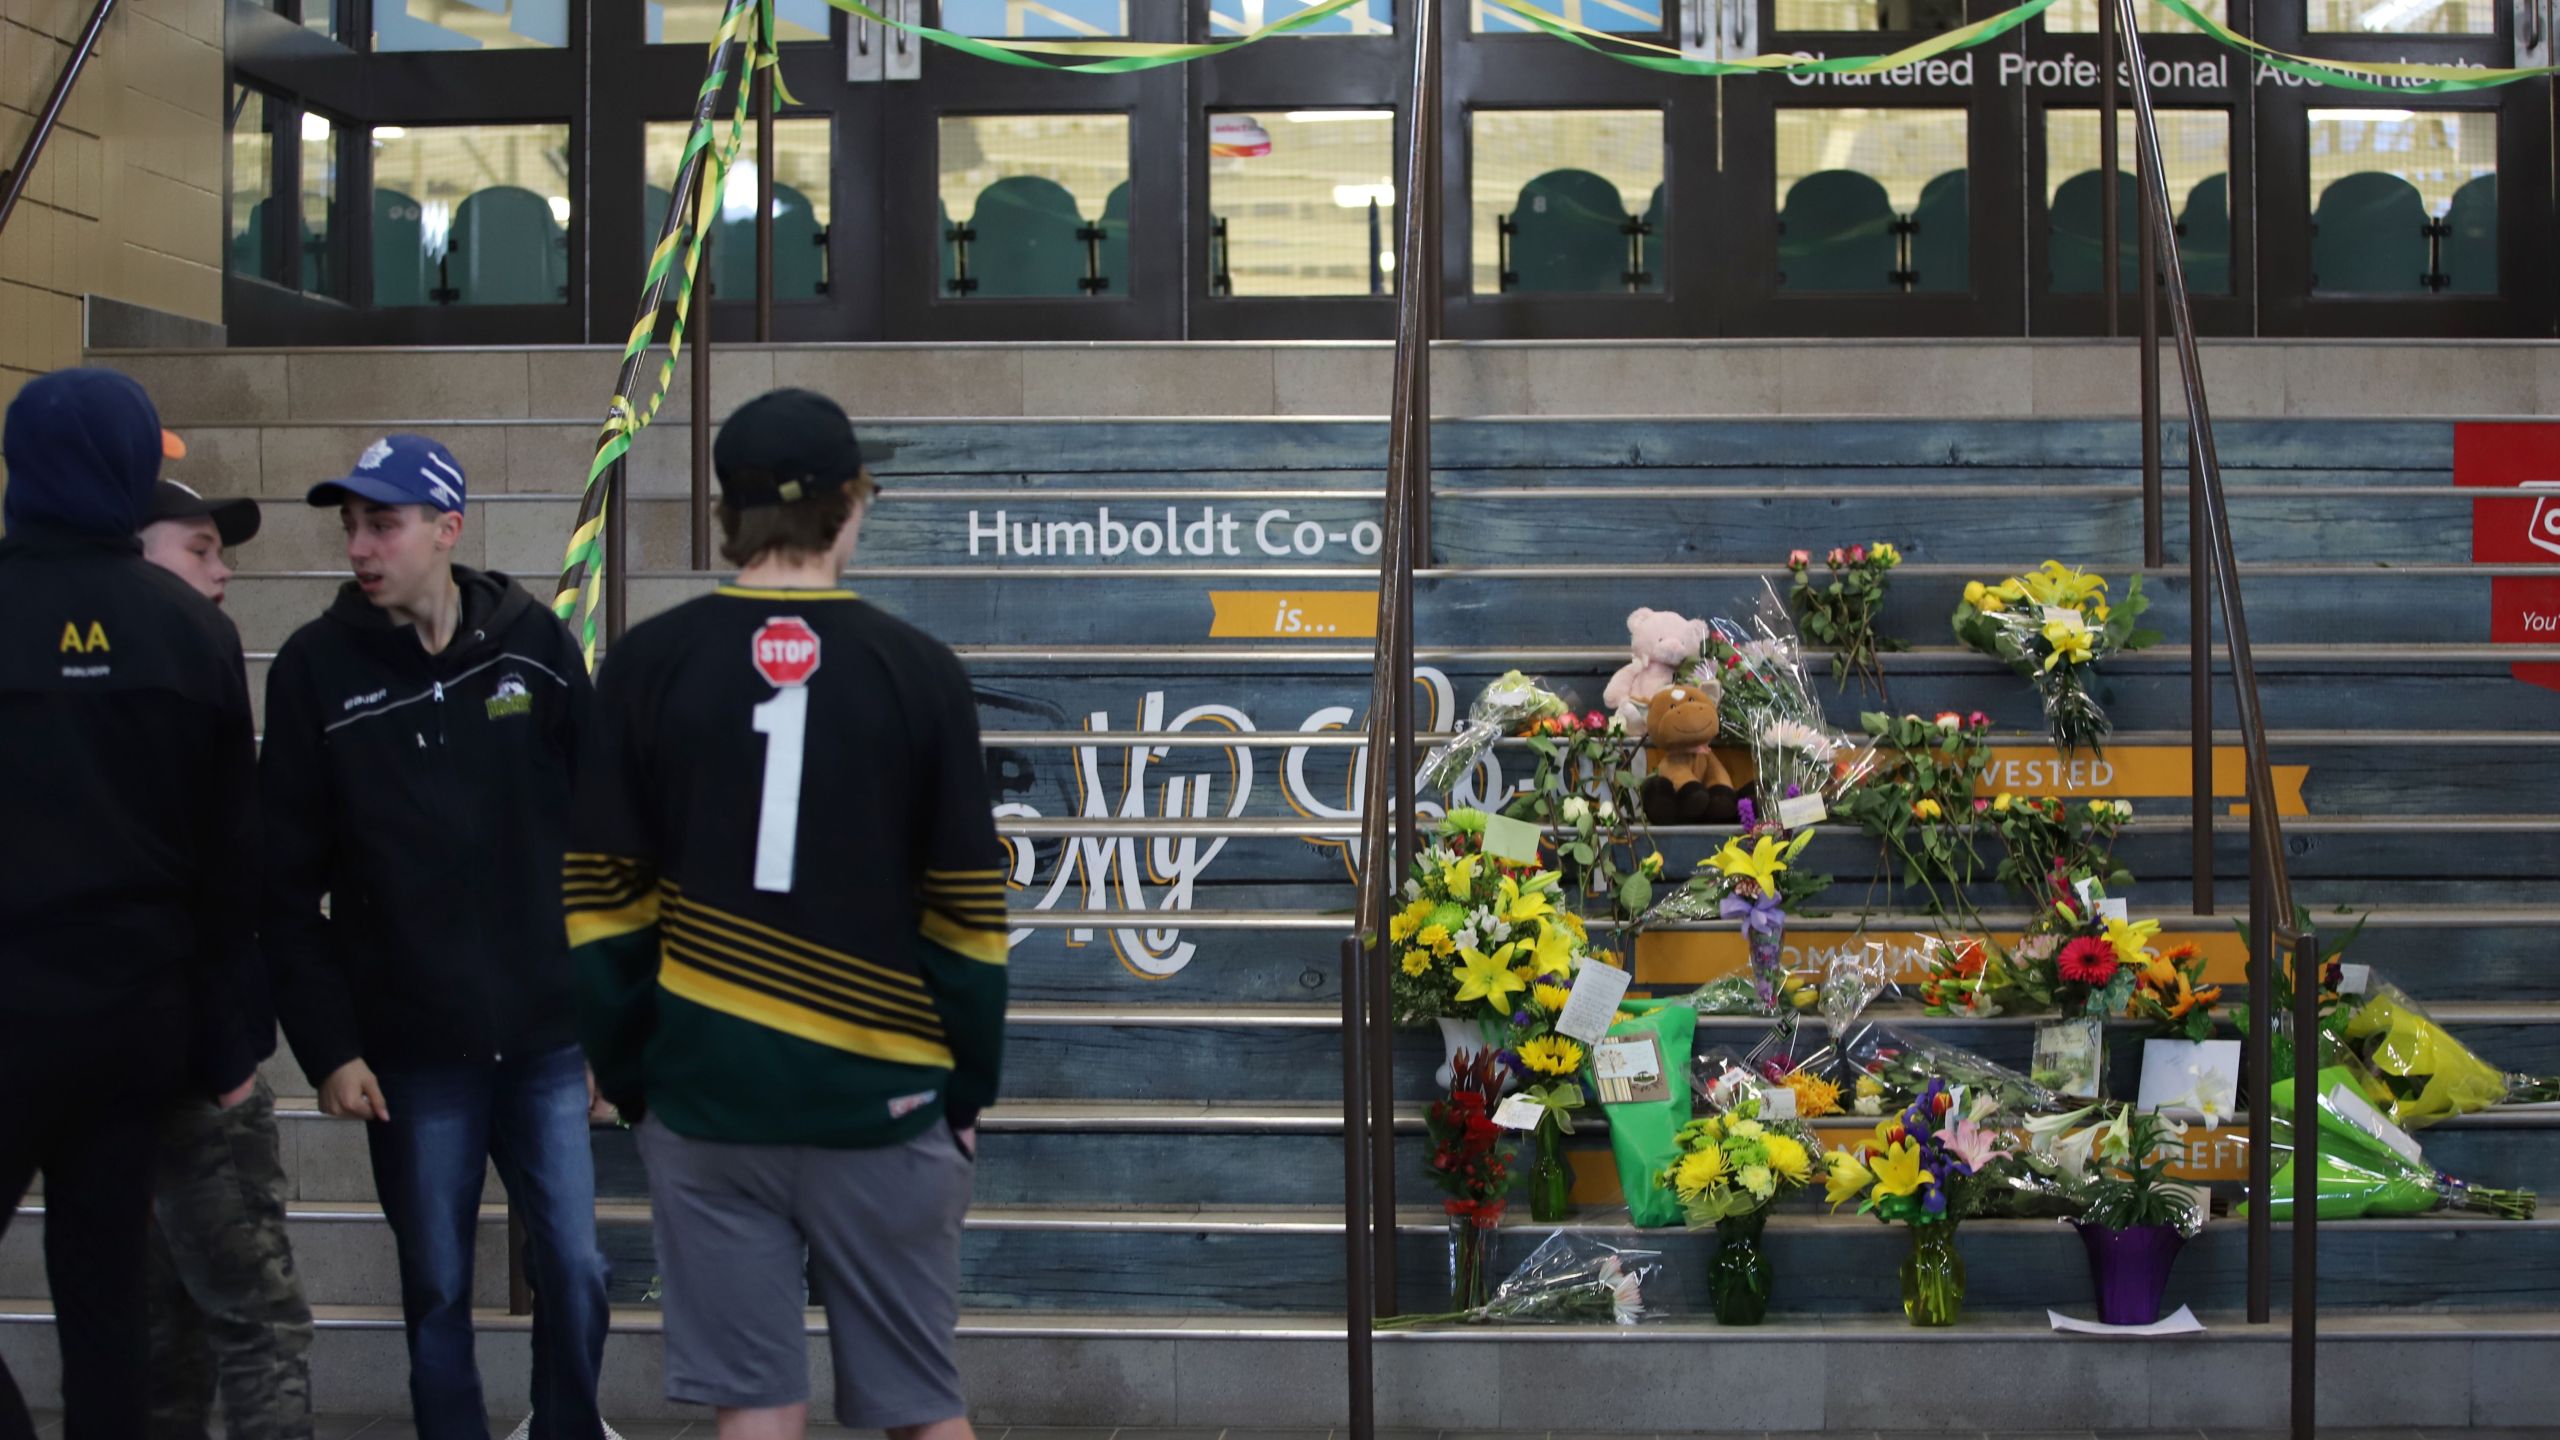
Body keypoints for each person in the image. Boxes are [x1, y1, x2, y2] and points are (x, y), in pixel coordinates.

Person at [567, 388, 1005, 1440]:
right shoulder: (919, 672)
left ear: (726, 514)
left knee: (755, 1411)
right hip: (885, 1098)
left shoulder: (646, 664)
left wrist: (638, 1082)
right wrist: (965, 1087)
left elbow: (602, 904)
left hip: (707, 1097)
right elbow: (966, 917)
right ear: (853, 505)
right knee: (920, 1408)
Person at [259, 435, 610, 1440]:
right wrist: (328, 1047)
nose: (360, 547)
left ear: (446, 530)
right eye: (351, 527)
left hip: (545, 1036)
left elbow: (606, 839)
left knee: (579, 1269)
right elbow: (283, 890)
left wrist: (611, 1021)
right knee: (440, 1293)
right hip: (412, 1054)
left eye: (384, 523)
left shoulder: (533, 644)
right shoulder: (314, 673)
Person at [0, 370, 266, 1440]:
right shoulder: (189, 632)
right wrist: (226, 1037)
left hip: (7, 1006)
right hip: (137, 1020)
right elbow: (229, 858)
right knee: (105, 1295)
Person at [134, 473, 317, 1440]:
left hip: (168, 1054)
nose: (224, 574)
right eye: (199, 550)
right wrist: (226, 1061)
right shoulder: (158, 672)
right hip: (189, 1069)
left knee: (172, 1331)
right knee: (249, 1324)